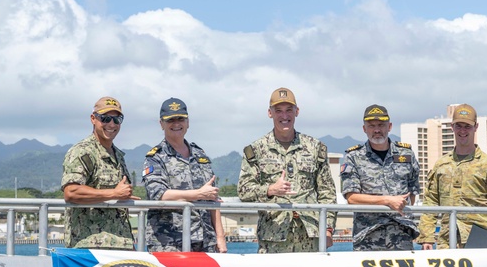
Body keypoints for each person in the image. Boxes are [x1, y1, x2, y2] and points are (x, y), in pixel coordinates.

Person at [238, 88, 337, 253]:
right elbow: (243, 191)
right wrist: (270, 190)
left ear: (297, 111)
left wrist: (327, 229)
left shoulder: (315, 148)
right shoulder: (256, 150)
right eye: (278, 111)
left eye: (289, 110)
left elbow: (327, 193)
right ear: (270, 113)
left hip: (311, 235)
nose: (284, 116)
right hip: (274, 237)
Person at [416, 104, 487, 249]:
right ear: (452, 127)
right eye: (459, 126)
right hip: (447, 243)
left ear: (476, 127)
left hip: (481, 243)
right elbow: (430, 202)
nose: (462, 131)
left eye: (467, 126)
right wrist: (427, 237)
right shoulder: (441, 165)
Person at [142, 98, 227, 253]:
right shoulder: (155, 157)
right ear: (161, 124)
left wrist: (220, 238)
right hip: (170, 242)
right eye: (171, 120)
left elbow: (213, 198)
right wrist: (198, 194)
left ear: (188, 122)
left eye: (181, 119)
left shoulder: (200, 155)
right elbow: (158, 195)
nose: (176, 124)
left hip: (205, 241)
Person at [341, 104, 421, 250]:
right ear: (364, 129)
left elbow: (413, 193)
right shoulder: (354, 157)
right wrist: (387, 201)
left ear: (389, 126)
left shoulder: (406, 155)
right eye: (371, 126)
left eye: (381, 125)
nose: (377, 130)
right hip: (368, 235)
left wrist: (400, 204)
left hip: (401, 233)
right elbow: (351, 198)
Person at [61, 96, 137, 249]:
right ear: (93, 119)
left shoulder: (118, 155)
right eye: (105, 118)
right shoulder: (83, 151)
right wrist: (114, 193)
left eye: (117, 119)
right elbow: (71, 192)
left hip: (121, 245)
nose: (111, 124)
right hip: (90, 247)